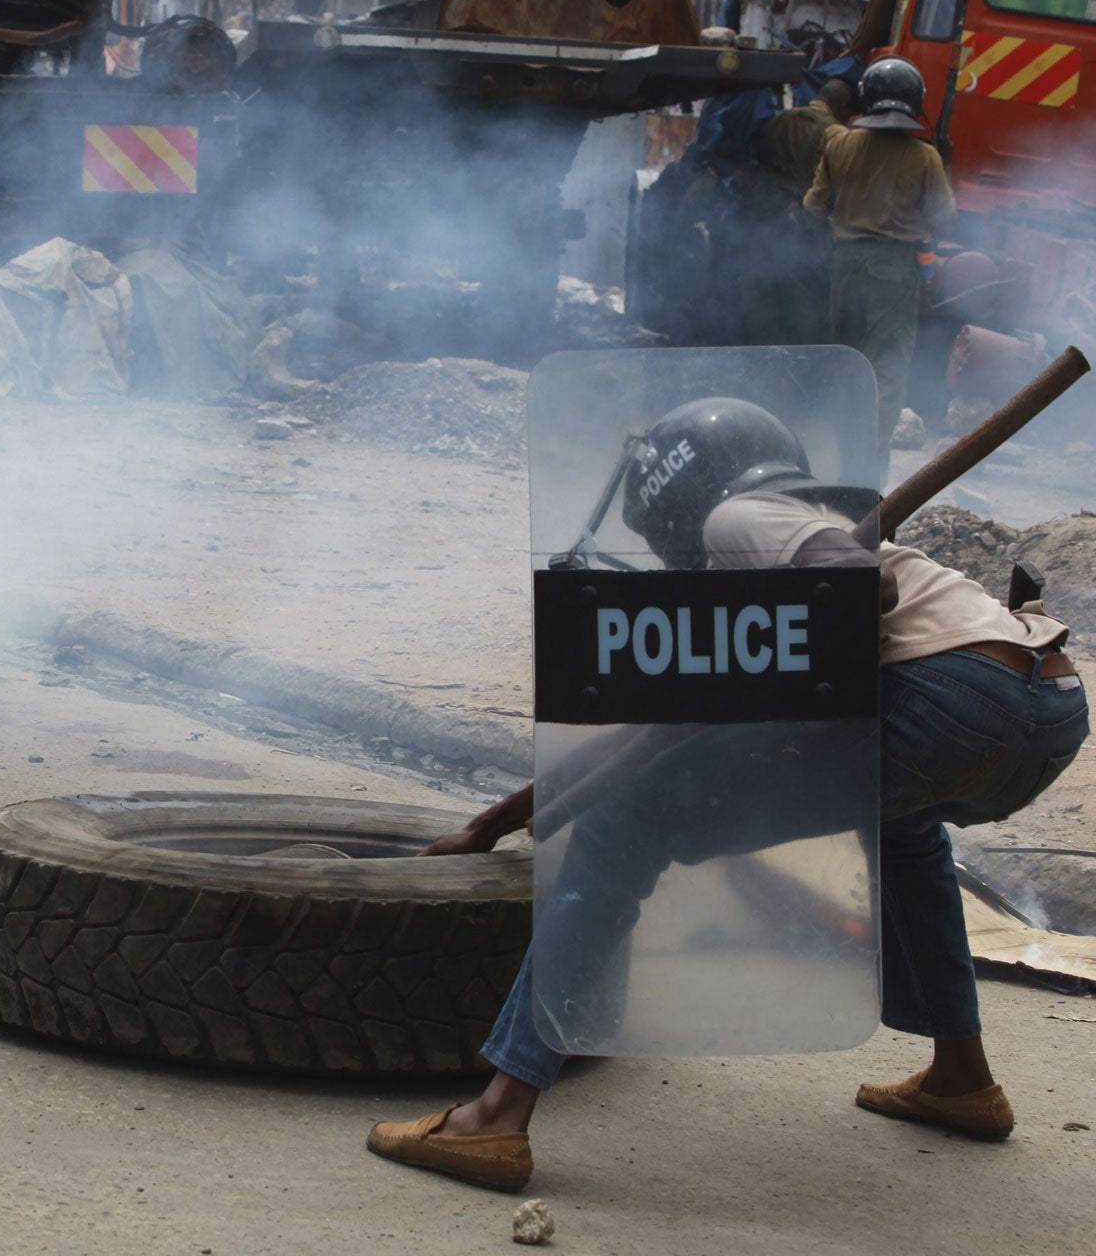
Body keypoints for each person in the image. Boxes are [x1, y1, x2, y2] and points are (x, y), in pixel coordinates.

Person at [368, 398, 1086, 1192]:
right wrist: (491, 826)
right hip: (1044, 707)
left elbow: (856, 587)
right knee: (904, 830)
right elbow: (642, 739)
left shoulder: (737, 519)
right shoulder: (803, 519)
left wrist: (782, 639)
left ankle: (495, 1117)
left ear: (677, 498)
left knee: (622, 826)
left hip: (948, 702)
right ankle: (962, 1079)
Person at [804, 58, 956, 479]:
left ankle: (840, 460)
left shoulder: (839, 145)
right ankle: (868, 477)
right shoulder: (925, 157)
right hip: (893, 271)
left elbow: (814, 205)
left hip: (845, 265)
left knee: (846, 362)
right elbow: (944, 219)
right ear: (914, 102)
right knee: (885, 369)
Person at [736, 77, 856, 345]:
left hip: (762, 217)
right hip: (804, 224)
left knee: (762, 292)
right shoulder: (836, 134)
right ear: (843, 105)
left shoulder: (778, 120)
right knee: (805, 300)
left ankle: (762, 356)